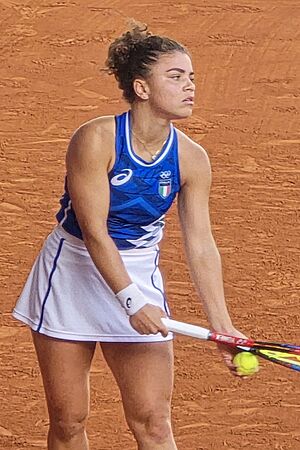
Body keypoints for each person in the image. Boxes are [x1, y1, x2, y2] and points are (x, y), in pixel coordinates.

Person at [13, 23, 246, 450]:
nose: (190, 86)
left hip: (137, 271)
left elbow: (201, 244)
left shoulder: (192, 159)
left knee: (154, 424)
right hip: (73, 273)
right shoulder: (96, 138)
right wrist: (131, 301)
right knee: (68, 421)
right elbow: (94, 230)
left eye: (191, 77)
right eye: (175, 76)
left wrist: (222, 324)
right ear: (141, 87)